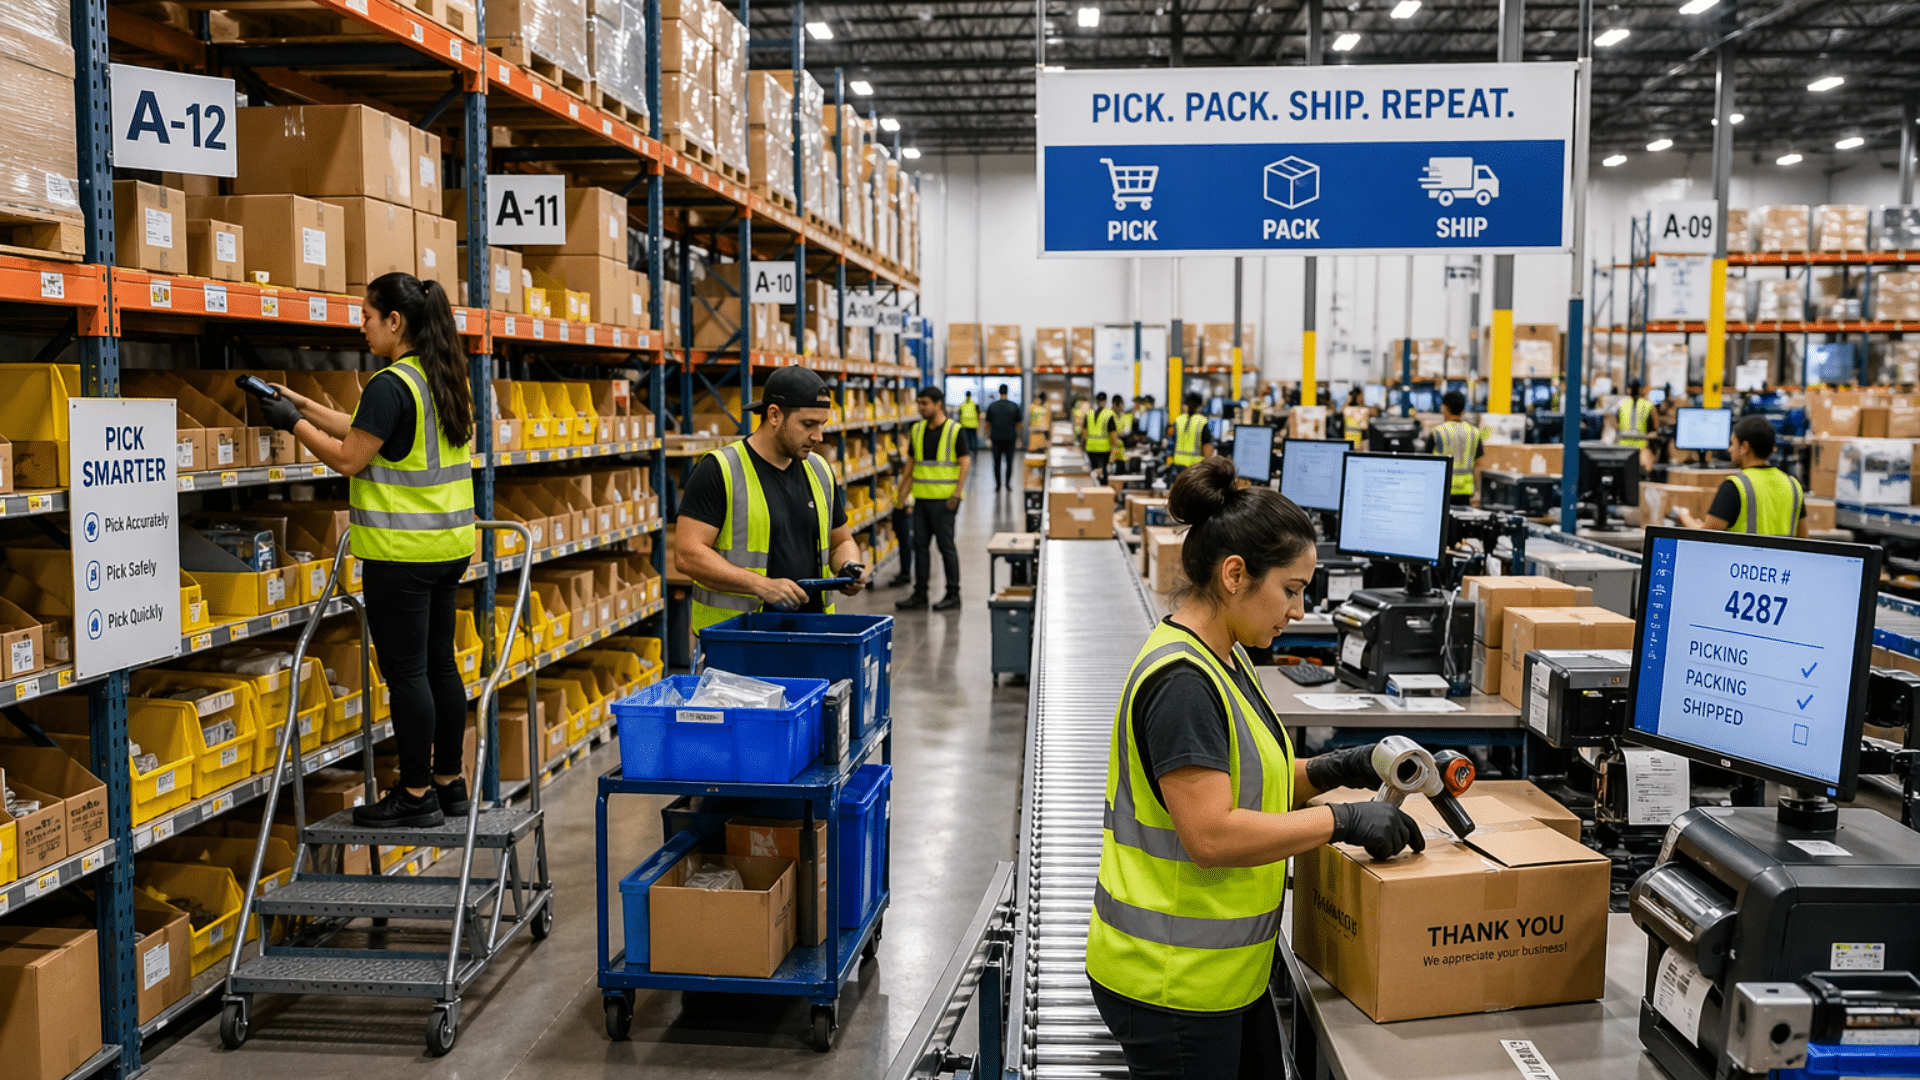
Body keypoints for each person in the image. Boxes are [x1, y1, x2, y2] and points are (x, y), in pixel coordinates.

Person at [1088, 456, 1426, 1077]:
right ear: (1236, 574)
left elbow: (1250, 778)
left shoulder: (1224, 657)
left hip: (1223, 970)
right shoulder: (1183, 683)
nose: (1299, 611)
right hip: (1172, 982)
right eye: (1292, 589)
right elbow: (1211, 834)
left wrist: (1337, 767)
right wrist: (1342, 822)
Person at [262, 272, 478, 828]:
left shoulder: (390, 384)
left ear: (395, 322)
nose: (361, 325)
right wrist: (304, 403)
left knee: (406, 674)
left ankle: (413, 794)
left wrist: (292, 426)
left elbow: (349, 457)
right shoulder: (442, 377)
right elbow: (368, 430)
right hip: (447, 548)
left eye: (366, 315)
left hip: (400, 554)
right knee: (439, 665)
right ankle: (450, 784)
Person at [675, 367, 868, 636]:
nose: (818, 436)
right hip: (741, 638)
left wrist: (849, 566)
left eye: (822, 424)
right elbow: (687, 555)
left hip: (813, 633)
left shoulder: (820, 471)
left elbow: (842, 541)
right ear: (775, 415)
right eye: (808, 424)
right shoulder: (720, 470)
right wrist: (760, 585)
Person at [897, 386, 968, 611]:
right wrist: (902, 490)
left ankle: (953, 594)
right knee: (920, 546)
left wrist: (957, 493)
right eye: (919, 403)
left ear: (938, 404)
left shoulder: (955, 430)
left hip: (946, 501)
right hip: (921, 499)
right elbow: (912, 461)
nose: (921, 407)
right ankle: (920, 594)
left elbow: (965, 462)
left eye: (925, 403)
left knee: (946, 546)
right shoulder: (917, 430)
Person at [1676, 415, 1807, 535]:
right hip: (1781, 561)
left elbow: (1706, 535)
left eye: (1733, 443)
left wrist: (1684, 516)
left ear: (1744, 447)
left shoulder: (1735, 486)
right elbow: (1803, 538)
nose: (1730, 449)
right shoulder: (1793, 485)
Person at [1424, 389, 1484, 506]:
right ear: (1463, 410)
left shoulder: (1437, 432)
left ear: (1444, 408)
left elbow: (1426, 462)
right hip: (1465, 492)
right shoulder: (1474, 432)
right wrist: (1478, 492)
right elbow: (1478, 464)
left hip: (1441, 489)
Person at [986, 383, 1023, 492]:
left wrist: (988, 439)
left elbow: (987, 424)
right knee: (1009, 462)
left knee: (996, 463)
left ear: (999, 392)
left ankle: (998, 486)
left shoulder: (992, 406)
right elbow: (1019, 424)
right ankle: (1007, 484)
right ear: (1007, 392)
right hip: (1010, 439)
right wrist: (1019, 439)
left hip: (996, 439)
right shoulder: (1014, 406)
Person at [1167, 392, 1213, 479]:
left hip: (1177, 467)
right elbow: (1207, 447)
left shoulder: (1178, 420)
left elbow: (1171, 443)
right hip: (1194, 468)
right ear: (1199, 406)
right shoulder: (1202, 421)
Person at [1085, 392, 1118, 478]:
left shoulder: (1089, 414)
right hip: (1104, 451)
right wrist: (1113, 455)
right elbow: (1114, 437)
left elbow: (1084, 434)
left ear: (1096, 401)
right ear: (1105, 401)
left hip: (1091, 449)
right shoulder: (1109, 415)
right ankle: (1102, 489)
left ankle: (1096, 489)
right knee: (1103, 475)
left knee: (1095, 474)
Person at [958, 390, 981, 455]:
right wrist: (978, 423)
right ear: (970, 396)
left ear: (966, 396)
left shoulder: (962, 405)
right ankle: (975, 452)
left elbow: (959, 414)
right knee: (973, 439)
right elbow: (978, 413)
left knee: (965, 440)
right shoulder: (975, 404)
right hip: (973, 425)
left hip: (964, 424)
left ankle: (966, 452)